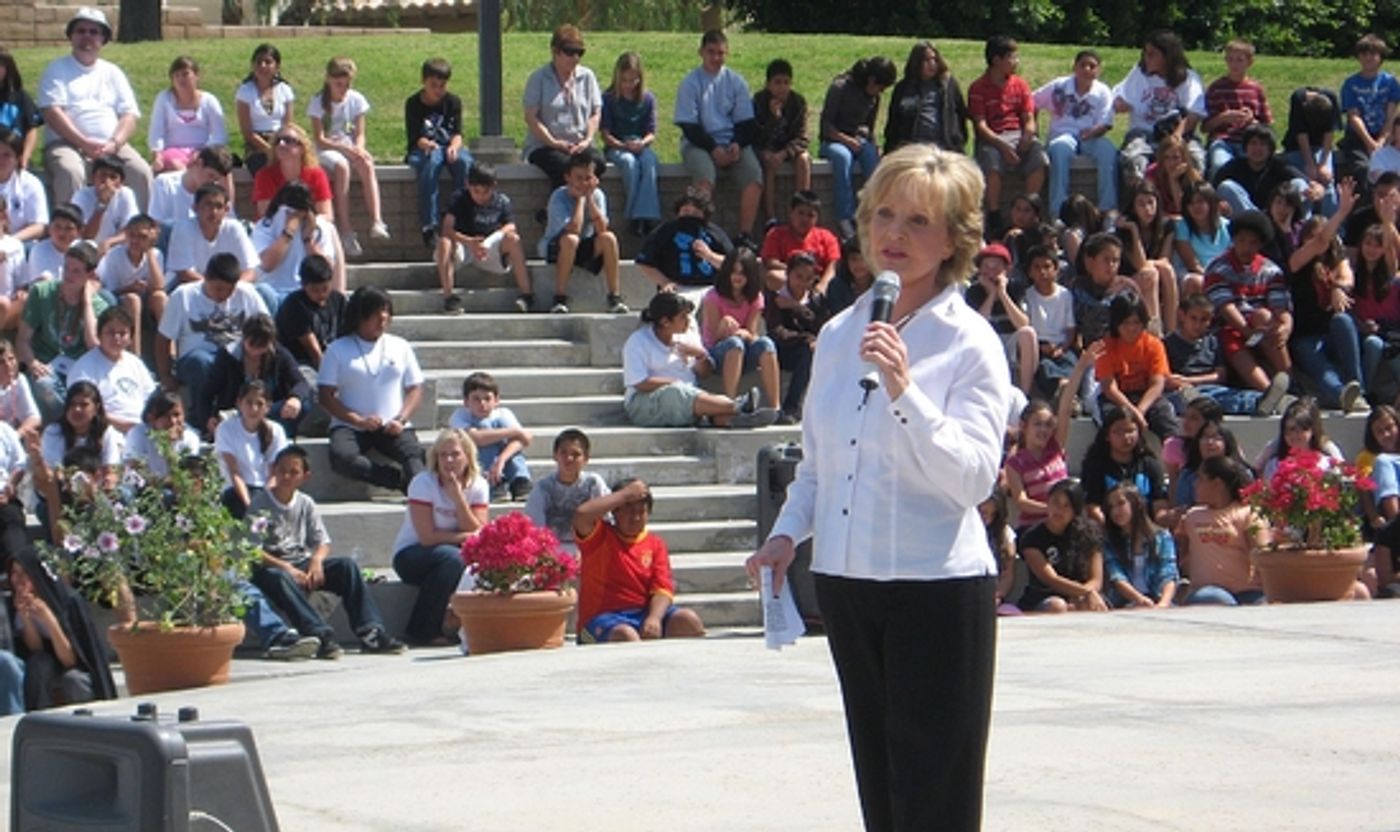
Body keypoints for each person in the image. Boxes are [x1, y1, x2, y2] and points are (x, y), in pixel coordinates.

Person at [747, 144, 1012, 831]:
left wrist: (905, 391)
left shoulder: (971, 342)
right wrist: (786, 536)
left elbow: (972, 479)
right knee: (881, 788)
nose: (895, 233)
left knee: (935, 796)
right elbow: (819, 464)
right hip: (848, 583)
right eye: (885, 214)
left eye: (919, 221)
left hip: (935, 587)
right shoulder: (840, 334)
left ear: (953, 240)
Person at [249, 445, 406, 659]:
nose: (286, 476)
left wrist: (316, 561)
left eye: (293, 472)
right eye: (282, 470)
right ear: (273, 470)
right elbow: (252, 550)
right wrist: (286, 567)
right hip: (273, 568)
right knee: (279, 577)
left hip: (301, 562)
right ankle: (319, 634)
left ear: (305, 476)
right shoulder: (260, 504)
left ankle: (370, 631)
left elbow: (322, 541)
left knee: (346, 567)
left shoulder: (306, 503)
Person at [37, 8, 151, 208]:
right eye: (81, 31)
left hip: (112, 146)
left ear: (103, 38)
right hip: (66, 144)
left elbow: (129, 115)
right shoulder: (56, 69)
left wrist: (114, 143)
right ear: (71, 36)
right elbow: (52, 112)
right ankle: (68, 226)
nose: (87, 36)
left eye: (94, 32)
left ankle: (140, 225)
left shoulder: (113, 72)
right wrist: (83, 142)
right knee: (71, 171)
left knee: (140, 171)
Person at [317, 285, 426, 493]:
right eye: (376, 312)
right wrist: (357, 420)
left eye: (386, 311)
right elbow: (325, 395)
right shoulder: (337, 349)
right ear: (360, 315)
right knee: (342, 458)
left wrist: (401, 419)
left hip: (393, 423)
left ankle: (421, 495)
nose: (383, 318)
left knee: (414, 455)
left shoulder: (400, 346)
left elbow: (415, 388)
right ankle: (396, 481)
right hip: (350, 426)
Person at [573, 478, 705, 643]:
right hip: (600, 620)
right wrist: (625, 494)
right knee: (626, 635)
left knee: (688, 620)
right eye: (629, 511)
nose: (635, 517)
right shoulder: (599, 537)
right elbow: (581, 515)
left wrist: (654, 618)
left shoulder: (655, 545)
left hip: (642, 613)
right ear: (615, 512)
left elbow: (662, 588)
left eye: (641, 512)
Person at [621, 291, 777, 429]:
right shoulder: (638, 342)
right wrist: (674, 382)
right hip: (645, 403)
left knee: (708, 409)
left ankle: (736, 418)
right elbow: (640, 383)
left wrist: (700, 355)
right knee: (676, 393)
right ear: (665, 322)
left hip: (689, 398)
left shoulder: (686, 336)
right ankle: (737, 406)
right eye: (682, 318)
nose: (688, 321)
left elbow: (704, 373)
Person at [391, 428, 486, 646]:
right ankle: (421, 630)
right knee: (453, 558)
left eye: (455, 454)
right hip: (411, 555)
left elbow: (479, 531)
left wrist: (458, 499)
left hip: (449, 555)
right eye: (443, 455)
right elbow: (427, 538)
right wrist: (466, 536)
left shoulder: (478, 485)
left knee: (469, 560)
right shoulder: (422, 483)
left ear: (467, 456)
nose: (448, 461)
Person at [155, 251, 269, 432]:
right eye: (218, 289)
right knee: (202, 363)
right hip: (196, 359)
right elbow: (163, 338)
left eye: (229, 290)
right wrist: (166, 376)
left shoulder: (247, 293)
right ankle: (203, 420)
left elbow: (266, 328)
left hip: (234, 356)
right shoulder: (183, 295)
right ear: (206, 278)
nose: (224, 295)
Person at [674, 30, 763, 243]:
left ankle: (744, 236)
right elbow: (689, 125)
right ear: (701, 52)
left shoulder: (737, 82)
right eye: (711, 52)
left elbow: (746, 122)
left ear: (727, 53)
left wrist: (737, 144)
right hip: (698, 143)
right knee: (705, 178)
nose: (716, 57)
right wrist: (713, 149)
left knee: (754, 176)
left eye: (720, 53)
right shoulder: (690, 83)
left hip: (732, 142)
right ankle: (701, 234)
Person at [6, 548, 116, 711]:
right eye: (14, 573)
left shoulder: (67, 601)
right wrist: (25, 617)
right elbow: (36, 649)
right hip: (48, 663)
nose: (18, 579)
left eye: (24, 573)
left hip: (75, 666)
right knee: (38, 665)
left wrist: (49, 619)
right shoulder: (15, 604)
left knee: (73, 680)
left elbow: (69, 660)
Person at [1203, 209, 1293, 397]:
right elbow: (1226, 308)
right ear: (1234, 240)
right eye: (1242, 241)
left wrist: (1286, 326)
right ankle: (1270, 393)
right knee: (1232, 341)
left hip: (1262, 327)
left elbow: (1280, 306)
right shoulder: (1218, 268)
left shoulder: (1271, 270)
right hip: (1230, 327)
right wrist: (1248, 333)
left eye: (1253, 243)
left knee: (1266, 317)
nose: (1246, 247)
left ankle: (1289, 381)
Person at [1004, 348, 1095, 532]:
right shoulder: (1015, 464)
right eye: (1037, 424)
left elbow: (1065, 407)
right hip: (1034, 527)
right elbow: (1021, 501)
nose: (1043, 430)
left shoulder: (1055, 447)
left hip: (1064, 524)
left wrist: (1080, 367)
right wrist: (1052, 511)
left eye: (1047, 425)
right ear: (1023, 426)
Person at [19, 239, 108, 423]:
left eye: (76, 271)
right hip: (46, 364)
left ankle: (75, 424)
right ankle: (69, 425)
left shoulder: (98, 306)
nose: (68, 274)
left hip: (79, 368)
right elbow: (23, 339)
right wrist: (32, 362)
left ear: (90, 275)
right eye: (67, 267)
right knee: (44, 384)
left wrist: (87, 302)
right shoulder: (41, 292)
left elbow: (93, 345)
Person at [308, 57, 389, 255]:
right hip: (327, 150)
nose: (343, 89)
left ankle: (377, 221)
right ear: (328, 79)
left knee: (366, 163)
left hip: (349, 146)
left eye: (347, 84)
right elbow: (320, 139)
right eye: (339, 84)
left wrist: (359, 149)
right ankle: (346, 230)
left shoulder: (356, 99)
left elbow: (360, 133)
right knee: (342, 166)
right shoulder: (318, 102)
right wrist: (344, 149)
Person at [1166, 291, 1291, 416]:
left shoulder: (1213, 341)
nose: (1197, 325)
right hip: (1181, 391)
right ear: (1182, 316)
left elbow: (1220, 375)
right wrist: (1183, 383)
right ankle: (1196, 403)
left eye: (1203, 320)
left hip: (1209, 388)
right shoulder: (1168, 343)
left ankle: (1265, 401)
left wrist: (1190, 380)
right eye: (1193, 318)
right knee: (1179, 399)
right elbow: (1167, 379)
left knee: (1232, 396)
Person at [968, 36, 1046, 234]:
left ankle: (1029, 209)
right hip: (992, 137)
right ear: (997, 60)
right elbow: (980, 126)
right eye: (1012, 57)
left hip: (1017, 134)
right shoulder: (978, 88)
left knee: (1039, 156)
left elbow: (1029, 117)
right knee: (992, 159)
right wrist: (1002, 146)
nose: (1016, 62)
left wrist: (1028, 134)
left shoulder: (1020, 85)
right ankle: (994, 214)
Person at [1112, 29, 1208, 181]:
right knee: (1132, 159)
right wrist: (1119, 104)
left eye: (1152, 54)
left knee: (1196, 158)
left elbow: (1194, 114)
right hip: (1143, 133)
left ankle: (1190, 194)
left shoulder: (1189, 79)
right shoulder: (1139, 74)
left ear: (1167, 56)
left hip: (1179, 133)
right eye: (1145, 53)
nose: (1146, 58)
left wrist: (1176, 137)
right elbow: (1120, 98)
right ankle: (1142, 194)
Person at [437, 162, 531, 314]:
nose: (480, 196)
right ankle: (449, 298)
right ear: (467, 184)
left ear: (494, 186)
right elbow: (447, 229)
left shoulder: (502, 201)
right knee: (444, 242)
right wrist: (469, 242)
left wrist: (487, 243)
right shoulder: (458, 198)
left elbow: (511, 226)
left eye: (486, 192)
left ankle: (526, 295)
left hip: (489, 249)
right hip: (463, 248)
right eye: (476, 191)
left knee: (513, 239)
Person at [1034, 49, 1118, 216]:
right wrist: (1034, 130)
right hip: (1062, 135)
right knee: (1058, 149)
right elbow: (1032, 102)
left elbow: (1106, 123)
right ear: (1074, 67)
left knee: (1108, 151)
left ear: (1098, 71)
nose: (1087, 69)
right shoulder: (1059, 86)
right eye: (1083, 65)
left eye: (1092, 66)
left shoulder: (1103, 92)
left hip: (1091, 137)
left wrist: (1093, 132)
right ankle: (1058, 212)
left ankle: (1108, 209)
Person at [540, 150, 625, 314]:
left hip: (583, 244)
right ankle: (559, 297)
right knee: (570, 240)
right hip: (557, 247)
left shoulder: (597, 195)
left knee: (609, 238)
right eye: (579, 178)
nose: (583, 183)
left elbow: (602, 228)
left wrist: (590, 199)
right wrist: (581, 199)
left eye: (588, 178)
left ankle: (614, 297)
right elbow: (574, 229)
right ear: (568, 177)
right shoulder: (558, 197)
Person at [522, 24, 605, 192]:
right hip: (545, 146)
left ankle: (583, 203)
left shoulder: (587, 77)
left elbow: (595, 113)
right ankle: (562, 205)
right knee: (565, 168)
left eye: (579, 52)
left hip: (580, 145)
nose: (575, 57)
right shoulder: (538, 78)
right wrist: (554, 143)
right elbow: (531, 117)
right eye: (569, 52)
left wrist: (587, 140)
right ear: (555, 51)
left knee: (598, 163)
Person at [820, 57, 896, 235]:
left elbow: (869, 127)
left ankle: (874, 210)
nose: (880, 92)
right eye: (880, 87)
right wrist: (845, 140)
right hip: (833, 141)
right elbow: (826, 126)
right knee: (843, 158)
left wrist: (873, 145)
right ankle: (844, 216)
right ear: (871, 80)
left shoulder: (874, 97)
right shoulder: (840, 87)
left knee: (871, 158)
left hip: (857, 140)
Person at [205, 313, 312, 439]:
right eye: (252, 345)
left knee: (303, 405)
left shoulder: (280, 354)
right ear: (243, 338)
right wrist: (208, 418)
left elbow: (300, 382)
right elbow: (207, 391)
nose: (256, 351)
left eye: (262, 346)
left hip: (269, 413)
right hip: (237, 414)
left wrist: (295, 398)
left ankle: (272, 435)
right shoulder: (227, 355)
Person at [700, 247, 781, 410]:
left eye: (743, 273)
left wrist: (745, 334)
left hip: (744, 351)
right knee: (734, 343)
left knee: (767, 344)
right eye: (734, 272)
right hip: (716, 354)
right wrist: (723, 328)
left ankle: (775, 406)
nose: (737, 277)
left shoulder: (755, 297)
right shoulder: (713, 296)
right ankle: (730, 404)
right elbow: (711, 340)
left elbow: (753, 334)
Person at [406, 57, 474, 248]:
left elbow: (458, 134)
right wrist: (427, 144)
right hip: (424, 148)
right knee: (432, 164)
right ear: (424, 81)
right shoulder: (413, 103)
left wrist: (454, 146)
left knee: (464, 163)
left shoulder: (453, 102)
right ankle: (430, 223)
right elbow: (415, 138)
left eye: (442, 85)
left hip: (447, 145)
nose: (438, 90)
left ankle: (460, 217)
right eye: (433, 85)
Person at [1177, 455, 1264, 605]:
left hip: (1247, 591)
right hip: (1207, 591)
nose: (1195, 484)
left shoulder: (1248, 514)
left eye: (1200, 479)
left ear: (1217, 484)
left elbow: (1261, 550)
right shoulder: (1192, 517)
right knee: (1212, 598)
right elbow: (1182, 551)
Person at [1096, 291, 1180, 443]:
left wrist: (1140, 411)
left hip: (1147, 397)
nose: (1131, 328)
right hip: (1118, 399)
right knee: (1112, 421)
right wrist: (1132, 412)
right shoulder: (1105, 347)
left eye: (1136, 322)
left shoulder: (1154, 345)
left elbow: (1157, 384)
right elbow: (1110, 388)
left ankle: (1174, 452)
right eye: (1126, 323)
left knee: (1164, 414)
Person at [1016, 479, 1108, 613]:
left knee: (1090, 604)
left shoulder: (1090, 534)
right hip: (1044, 596)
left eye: (1067, 506)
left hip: (1081, 594)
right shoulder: (1032, 538)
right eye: (1056, 502)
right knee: (1057, 605)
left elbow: (1096, 579)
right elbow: (1051, 579)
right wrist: (1085, 592)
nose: (1059, 510)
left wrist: (1086, 593)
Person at [251, 180, 345, 310]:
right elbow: (267, 265)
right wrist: (287, 234)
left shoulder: (320, 227)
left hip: (305, 293)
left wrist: (308, 240)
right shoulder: (264, 226)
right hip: (274, 291)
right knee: (262, 292)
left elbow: (326, 269)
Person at [763, 251, 832, 423]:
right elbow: (777, 332)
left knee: (812, 353)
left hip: (808, 351)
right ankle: (791, 407)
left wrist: (796, 307)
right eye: (798, 276)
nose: (803, 283)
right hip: (781, 351)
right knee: (807, 351)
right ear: (788, 274)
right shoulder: (776, 298)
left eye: (808, 278)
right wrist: (805, 338)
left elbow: (821, 327)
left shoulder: (816, 299)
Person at [964, 241, 1037, 395]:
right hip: (988, 340)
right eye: (986, 267)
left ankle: (1025, 394)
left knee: (1028, 333)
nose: (991, 273)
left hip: (1011, 339)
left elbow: (1023, 323)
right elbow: (977, 326)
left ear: (1007, 270)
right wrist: (991, 295)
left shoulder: (1016, 288)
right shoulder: (973, 292)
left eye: (996, 267)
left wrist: (1003, 294)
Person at [601, 52, 661, 238]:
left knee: (649, 163)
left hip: (640, 144)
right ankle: (635, 216)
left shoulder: (647, 99)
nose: (629, 85)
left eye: (633, 80)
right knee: (629, 164)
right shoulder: (609, 99)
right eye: (625, 80)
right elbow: (606, 134)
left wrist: (642, 143)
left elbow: (651, 132)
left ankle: (646, 216)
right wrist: (622, 145)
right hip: (617, 146)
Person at [1079, 405, 1170, 526]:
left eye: (1130, 431)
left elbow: (1159, 503)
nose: (1126, 437)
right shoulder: (1095, 465)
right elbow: (1092, 506)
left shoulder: (1149, 464)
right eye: (1118, 432)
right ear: (1107, 435)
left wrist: (1164, 521)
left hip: (1146, 528)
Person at [67, 307, 154, 432]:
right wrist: (125, 426)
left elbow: (151, 399)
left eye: (122, 333)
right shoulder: (84, 368)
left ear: (130, 338)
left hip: (142, 428)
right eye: (110, 332)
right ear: (99, 335)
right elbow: (84, 411)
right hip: (105, 431)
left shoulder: (135, 363)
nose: (116, 337)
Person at [449, 371, 532, 502]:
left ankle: (519, 480)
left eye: (487, 399)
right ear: (466, 401)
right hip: (478, 462)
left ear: (496, 400)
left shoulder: (503, 413)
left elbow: (525, 439)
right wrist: (513, 431)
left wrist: (501, 459)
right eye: (476, 399)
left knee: (513, 446)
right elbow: (477, 438)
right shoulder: (459, 416)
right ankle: (494, 483)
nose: (482, 403)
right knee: (486, 430)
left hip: (502, 463)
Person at [524, 428, 609, 551]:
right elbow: (535, 527)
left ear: (586, 458)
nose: (569, 458)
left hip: (589, 548)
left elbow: (607, 518)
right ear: (555, 455)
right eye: (563, 452)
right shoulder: (543, 488)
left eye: (576, 454)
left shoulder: (593, 483)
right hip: (552, 550)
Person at [215, 380, 288, 519]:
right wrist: (250, 506)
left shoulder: (276, 431)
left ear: (268, 406)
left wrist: (263, 501)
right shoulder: (225, 429)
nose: (254, 409)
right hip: (236, 491)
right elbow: (234, 472)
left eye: (259, 404)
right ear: (239, 403)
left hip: (265, 491)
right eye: (249, 402)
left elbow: (274, 474)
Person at [635, 190, 732, 292]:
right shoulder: (665, 231)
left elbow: (732, 264)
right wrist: (665, 282)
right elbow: (644, 262)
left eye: (696, 213)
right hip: (675, 288)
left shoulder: (715, 233)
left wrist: (709, 255)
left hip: (710, 289)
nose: (690, 216)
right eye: (686, 211)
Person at [752, 59, 811, 226]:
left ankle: (802, 212)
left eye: (786, 83)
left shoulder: (798, 102)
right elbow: (756, 136)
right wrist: (774, 118)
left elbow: (803, 137)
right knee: (769, 163)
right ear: (768, 84)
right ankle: (770, 218)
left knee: (804, 159)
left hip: (788, 149)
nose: (782, 88)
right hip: (766, 148)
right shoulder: (759, 101)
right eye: (777, 83)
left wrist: (785, 153)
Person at [1115, 179, 1179, 333]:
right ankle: (1155, 332)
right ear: (1133, 207)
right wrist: (1134, 231)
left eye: (1151, 202)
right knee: (1150, 274)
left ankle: (1171, 330)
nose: (1147, 209)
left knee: (1166, 270)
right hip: (1128, 281)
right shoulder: (1125, 229)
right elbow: (1139, 265)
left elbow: (1164, 259)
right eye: (1141, 204)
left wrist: (1150, 264)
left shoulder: (1166, 225)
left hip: (1153, 273)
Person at [1101, 482, 1179, 607]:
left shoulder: (1162, 537)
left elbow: (1168, 573)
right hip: (1124, 603)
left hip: (1157, 598)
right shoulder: (1109, 542)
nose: (1115, 511)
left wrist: (1163, 603)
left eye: (1121, 504)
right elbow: (1117, 577)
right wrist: (1140, 600)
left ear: (1136, 504)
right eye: (1111, 507)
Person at [146, 55, 228, 175]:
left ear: (196, 76)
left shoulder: (209, 101)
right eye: (177, 75)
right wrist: (157, 155)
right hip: (172, 152)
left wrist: (202, 152)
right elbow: (156, 131)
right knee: (174, 164)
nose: (181, 79)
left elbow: (219, 135)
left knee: (217, 167)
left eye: (185, 74)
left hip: (202, 151)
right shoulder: (164, 99)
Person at [165, 182, 259, 286]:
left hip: (232, 289)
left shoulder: (234, 228)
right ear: (195, 208)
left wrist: (232, 288)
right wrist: (216, 288)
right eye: (207, 205)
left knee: (263, 290)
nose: (214, 211)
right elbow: (184, 273)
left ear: (226, 210)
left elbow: (251, 271)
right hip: (192, 287)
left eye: (219, 206)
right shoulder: (183, 229)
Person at [883, 40, 967, 155]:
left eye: (935, 59)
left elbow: (960, 114)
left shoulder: (948, 85)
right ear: (917, 63)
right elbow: (893, 123)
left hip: (944, 147)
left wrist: (957, 141)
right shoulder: (903, 88)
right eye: (927, 60)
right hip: (913, 148)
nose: (932, 64)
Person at [95, 213, 165, 350]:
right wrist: (130, 288)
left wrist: (149, 251)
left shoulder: (156, 254)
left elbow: (159, 286)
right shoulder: (115, 255)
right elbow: (110, 291)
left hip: (146, 301)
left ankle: (169, 352)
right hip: (121, 301)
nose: (135, 241)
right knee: (133, 299)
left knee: (161, 298)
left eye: (142, 237)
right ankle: (135, 352)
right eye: (132, 235)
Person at [1212, 123, 1315, 216]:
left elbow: (1309, 184)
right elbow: (1212, 190)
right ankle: (1259, 223)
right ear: (1245, 147)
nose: (1257, 148)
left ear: (1270, 149)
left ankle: (1302, 228)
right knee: (1226, 187)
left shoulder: (1280, 166)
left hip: (1277, 219)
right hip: (1247, 221)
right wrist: (1219, 202)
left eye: (1263, 144)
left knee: (1300, 185)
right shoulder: (1234, 166)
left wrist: (1317, 190)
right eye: (1253, 143)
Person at [1338, 34, 1400, 184]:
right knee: (1364, 169)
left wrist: (1382, 140)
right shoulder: (1350, 84)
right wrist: (1370, 143)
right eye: (1363, 54)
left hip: (1386, 135)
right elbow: (1354, 116)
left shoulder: (1390, 82)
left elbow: (1391, 115)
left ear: (1381, 57)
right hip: (1358, 137)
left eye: (1373, 54)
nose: (1368, 58)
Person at [1203, 39, 1272, 175]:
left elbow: (1267, 126)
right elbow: (1205, 127)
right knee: (1220, 164)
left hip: (1249, 142)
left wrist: (1252, 121)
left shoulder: (1256, 89)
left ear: (1249, 62)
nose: (1234, 64)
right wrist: (1223, 118)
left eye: (1239, 60)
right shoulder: (1216, 88)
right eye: (1230, 59)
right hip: (1223, 140)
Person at [758, 190, 842, 292]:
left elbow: (833, 265)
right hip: (788, 285)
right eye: (800, 213)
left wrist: (822, 285)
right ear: (791, 213)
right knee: (773, 276)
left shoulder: (827, 237)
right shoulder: (776, 234)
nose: (804, 219)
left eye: (810, 215)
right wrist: (800, 274)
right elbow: (771, 262)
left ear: (817, 218)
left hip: (817, 284)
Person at [276, 253, 346, 372]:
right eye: (314, 290)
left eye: (325, 288)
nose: (321, 294)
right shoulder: (295, 305)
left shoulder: (338, 300)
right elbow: (314, 352)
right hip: (300, 362)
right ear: (303, 285)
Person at [251, 124, 333, 223]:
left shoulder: (316, 174)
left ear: (302, 148)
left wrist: (305, 223)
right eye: (277, 141)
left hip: (309, 226)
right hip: (274, 228)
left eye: (288, 140)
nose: (281, 144)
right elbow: (266, 214)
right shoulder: (264, 175)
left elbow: (327, 215)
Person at [234, 43, 294, 177]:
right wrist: (270, 150)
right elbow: (247, 133)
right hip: (256, 146)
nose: (263, 66)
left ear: (277, 66)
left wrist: (280, 146)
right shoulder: (245, 91)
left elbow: (288, 126)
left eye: (268, 62)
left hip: (280, 140)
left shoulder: (285, 90)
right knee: (267, 169)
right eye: (259, 62)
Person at [1282, 86, 1342, 216]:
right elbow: (1301, 134)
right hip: (1297, 147)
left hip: (1321, 146)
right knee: (1305, 185)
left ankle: (1333, 223)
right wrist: (1309, 164)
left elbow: (1329, 133)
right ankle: (1305, 221)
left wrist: (1323, 164)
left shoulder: (1331, 98)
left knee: (1327, 180)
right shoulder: (1298, 98)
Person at [122, 389, 200, 478]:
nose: (173, 421)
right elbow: (134, 472)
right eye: (166, 416)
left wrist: (171, 446)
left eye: (177, 415)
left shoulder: (190, 438)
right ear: (151, 418)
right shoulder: (138, 434)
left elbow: (188, 477)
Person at [70, 154, 139, 253]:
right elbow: (87, 236)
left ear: (121, 182)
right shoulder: (82, 196)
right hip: (87, 250)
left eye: (113, 177)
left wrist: (110, 242)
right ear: (93, 178)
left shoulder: (126, 194)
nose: (107, 181)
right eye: (103, 175)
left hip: (116, 248)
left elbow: (131, 229)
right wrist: (102, 204)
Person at [1173, 181, 1230, 293]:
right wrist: (1214, 280)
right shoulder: (1182, 226)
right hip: (1194, 273)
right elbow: (1193, 265)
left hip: (1223, 274)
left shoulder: (1227, 226)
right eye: (1191, 203)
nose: (1196, 207)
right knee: (1197, 282)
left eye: (1200, 201)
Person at [0, 126, 47, 245]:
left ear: (18, 158)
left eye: (6, 155)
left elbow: (39, 226)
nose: (0, 160)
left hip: (20, 243)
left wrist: (10, 242)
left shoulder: (30, 184)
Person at [0, 48, 42, 170]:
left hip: (14, 158)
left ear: (8, 69)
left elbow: (31, 130)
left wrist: (25, 156)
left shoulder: (20, 96)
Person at [0, 340, 39, 439]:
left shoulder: (19, 380)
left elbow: (34, 417)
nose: (8, 365)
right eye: (1, 362)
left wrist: (15, 436)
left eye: (11, 359)